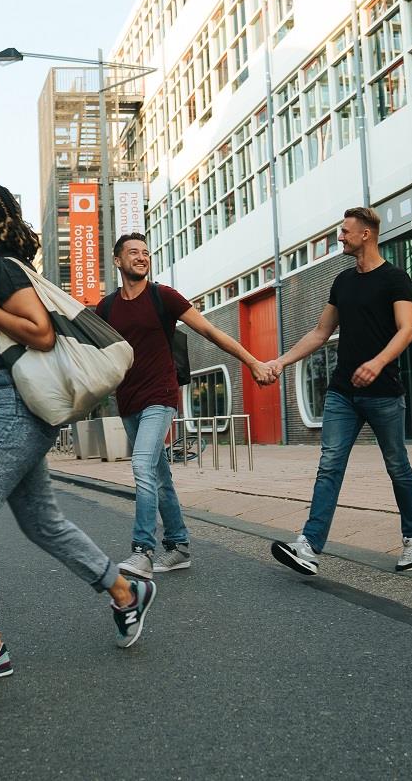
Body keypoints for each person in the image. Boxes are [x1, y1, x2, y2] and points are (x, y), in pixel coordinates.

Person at [0, 185, 153, 685]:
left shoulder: (3, 271)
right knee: (41, 522)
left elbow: (42, 333)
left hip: (15, 409)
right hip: (8, 405)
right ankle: (125, 591)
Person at [96, 233, 277, 577]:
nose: (141, 257)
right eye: (133, 252)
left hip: (161, 396)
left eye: (146, 252)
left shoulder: (162, 296)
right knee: (159, 475)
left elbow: (210, 331)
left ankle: (142, 551)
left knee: (142, 466)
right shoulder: (107, 308)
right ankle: (178, 546)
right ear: (118, 261)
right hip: (128, 401)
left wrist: (252, 362)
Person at [264, 206, 412, 577]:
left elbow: (406, 330)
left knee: (397, 466)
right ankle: (308, 545)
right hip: (342, 393)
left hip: (384, 392)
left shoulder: (395, 279)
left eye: (345, 231)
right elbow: (320, 333)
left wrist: (378, 362)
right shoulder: (342, 281)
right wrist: (281, 362)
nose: (340, 237)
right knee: (330, 464)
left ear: (366, 234)